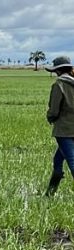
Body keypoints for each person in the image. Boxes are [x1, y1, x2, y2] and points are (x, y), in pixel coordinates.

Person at [44, 56, 74, 196]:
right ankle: (50, 193)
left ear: (58, 71)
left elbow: (54, 110)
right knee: (58, 160)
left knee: (71, 161)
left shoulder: (59, 85)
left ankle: (50, 192)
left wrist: (50, 117)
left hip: (64, 130)